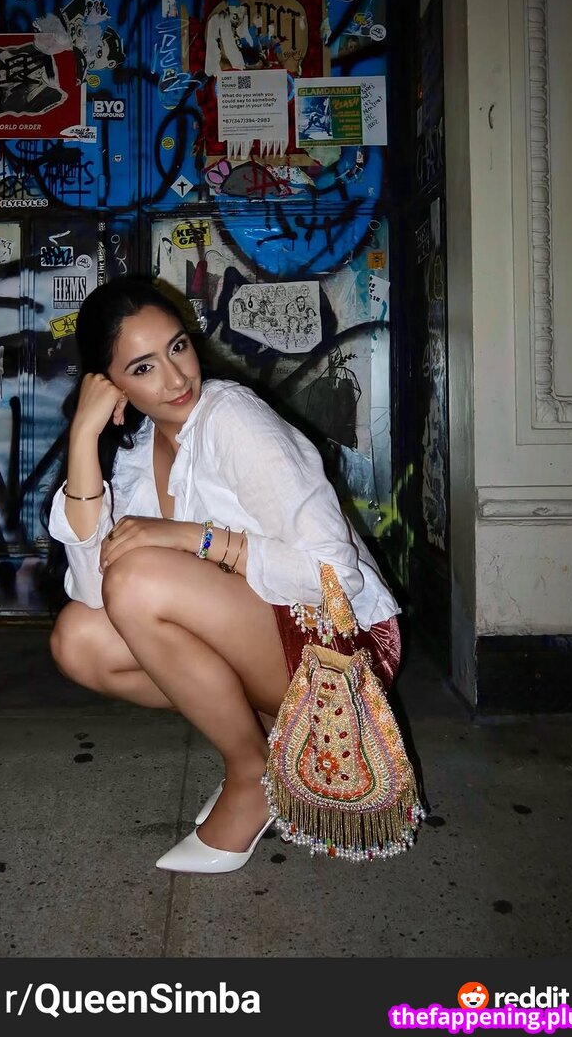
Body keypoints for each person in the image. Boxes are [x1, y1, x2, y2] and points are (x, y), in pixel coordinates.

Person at [46, 276, 400, 874]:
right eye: (143, 368)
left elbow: (335, 576)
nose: (176, 378)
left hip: (342, 642)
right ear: (112, 388)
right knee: (78, 641)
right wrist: (84, 437)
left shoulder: (231, 417)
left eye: (177, 347)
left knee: (137, 579)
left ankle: (251, 774)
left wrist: (195, 538)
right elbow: (91, 591)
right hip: (265, 639)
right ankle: (262, 738)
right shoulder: (137, 450)